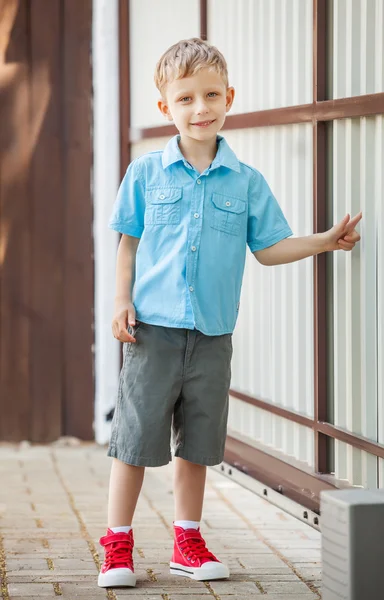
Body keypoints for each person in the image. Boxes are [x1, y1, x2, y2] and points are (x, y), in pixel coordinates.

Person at [97, 37, 362, 588]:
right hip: (152, 333)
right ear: (165, 106)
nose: (201, 108)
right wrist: (121, 301)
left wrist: (323, 241)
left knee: (197, 444)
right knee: (135, 442)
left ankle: (187, 541)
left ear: (229, 97)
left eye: (211, 95)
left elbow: (269, 249)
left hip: (213, 336)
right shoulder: (146, 174)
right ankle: (117, 546)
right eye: (187, 98)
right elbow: (127, 247)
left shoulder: (246, 182)